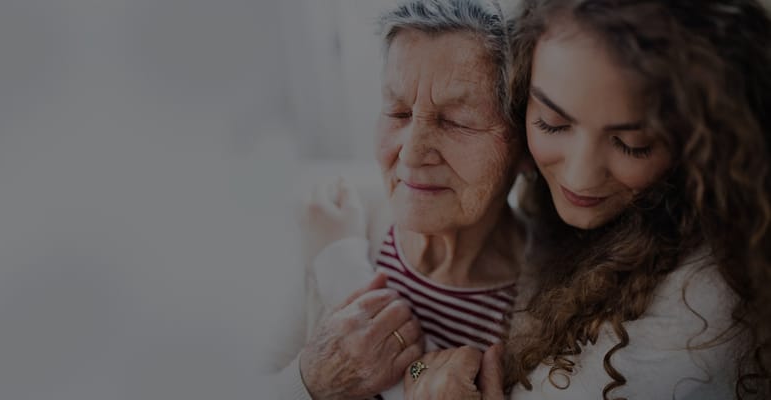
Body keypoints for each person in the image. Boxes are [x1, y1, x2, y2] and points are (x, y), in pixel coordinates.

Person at [402, 0, 771, 399]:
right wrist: (417, 370)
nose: (579, 177)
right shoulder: (532, 202)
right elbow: (436, 361)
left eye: (633, 145)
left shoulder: (699, 308)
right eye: (552, 123)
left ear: (700, 141)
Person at [265, 1, 528, 399]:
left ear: (525, 141)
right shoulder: (334, 219)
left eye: (455, 121)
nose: (410, 153)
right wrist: (311, 378)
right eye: (398, 111)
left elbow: (420, 371)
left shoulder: (549, 297)